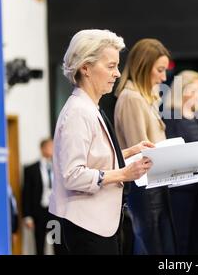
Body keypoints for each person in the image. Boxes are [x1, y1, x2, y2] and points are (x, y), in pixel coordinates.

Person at [49, 29, 153, 255]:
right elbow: (73, 175)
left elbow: (96, 158)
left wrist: (130, 152)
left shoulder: (90, 108)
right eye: (110, 66)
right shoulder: (77, 113)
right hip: (87, 226)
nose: (117, 73)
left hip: (101, 223)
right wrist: (124, 174)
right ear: (85, 68)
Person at [114, 38, 176, 255]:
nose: (163, 77)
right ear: (143, 66)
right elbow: (138, 150)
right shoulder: (131, 98)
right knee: (154, 249)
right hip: (146, 189)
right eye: (159, 70)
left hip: (155, 186)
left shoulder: (143, 97)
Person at [163, 70, 198, 254]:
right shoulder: (171, 116)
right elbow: (173, 150)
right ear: (184, 91)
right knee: (182, 240)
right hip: (181, 190)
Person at [23, 138, 65, 255]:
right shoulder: (31, 169)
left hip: (55, 212)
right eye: (49, 147)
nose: (52, 149)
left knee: (57, 242)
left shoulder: (58, 168)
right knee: (40, 244)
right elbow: (26, 193)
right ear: (42, 149)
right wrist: (28, 216)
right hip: (40, 211)